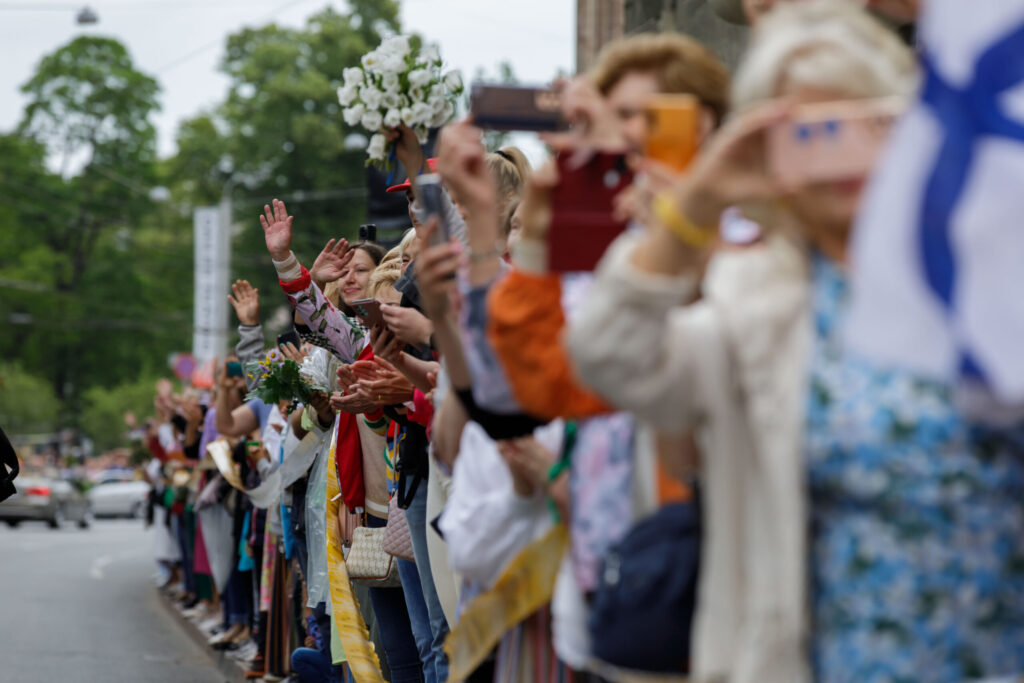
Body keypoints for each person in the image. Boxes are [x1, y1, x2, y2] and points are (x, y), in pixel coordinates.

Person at [568, 2, 1024, 681]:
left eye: (860, 121)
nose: (836, 153)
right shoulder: (753, 298)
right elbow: (607, 354)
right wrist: (699, 199)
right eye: (804, 131)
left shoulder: (987, 267)